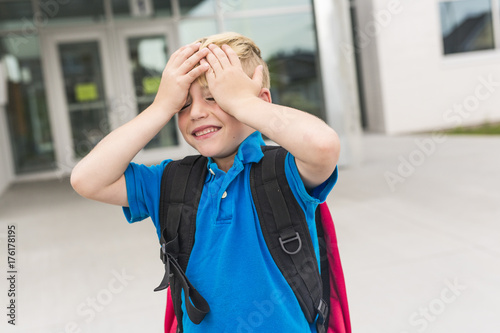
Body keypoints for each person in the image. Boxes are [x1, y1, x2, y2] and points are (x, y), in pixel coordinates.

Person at [71, 32, 340, 332]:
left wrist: (242, 102)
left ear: (258, 103)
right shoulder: (170, 182)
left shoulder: (285, 172)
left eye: (215, 97)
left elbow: (323, 145)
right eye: (183, 104)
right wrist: (161, 106)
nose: (196, 112)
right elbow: (87, 179)